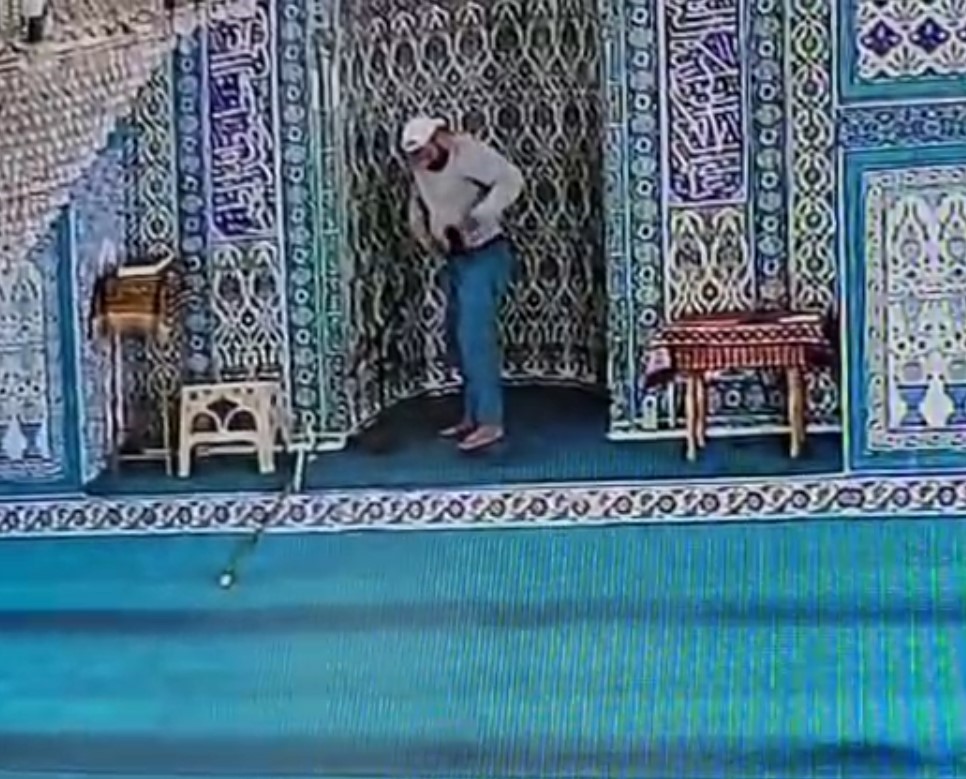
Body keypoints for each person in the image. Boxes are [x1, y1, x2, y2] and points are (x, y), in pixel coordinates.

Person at [402, 116, 524, 453]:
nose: (422, 158)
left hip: (485, 255)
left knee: (474, 337)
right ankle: (472, 415)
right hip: (455, 258)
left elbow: (510, 179)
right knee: (458, 336)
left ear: (439, 138)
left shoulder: (468, 153)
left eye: (425, 150)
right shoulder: (419, 167)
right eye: (416, 154)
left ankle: (490, 422)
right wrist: (428, 240)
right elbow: (419, 206)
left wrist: (482, 215)